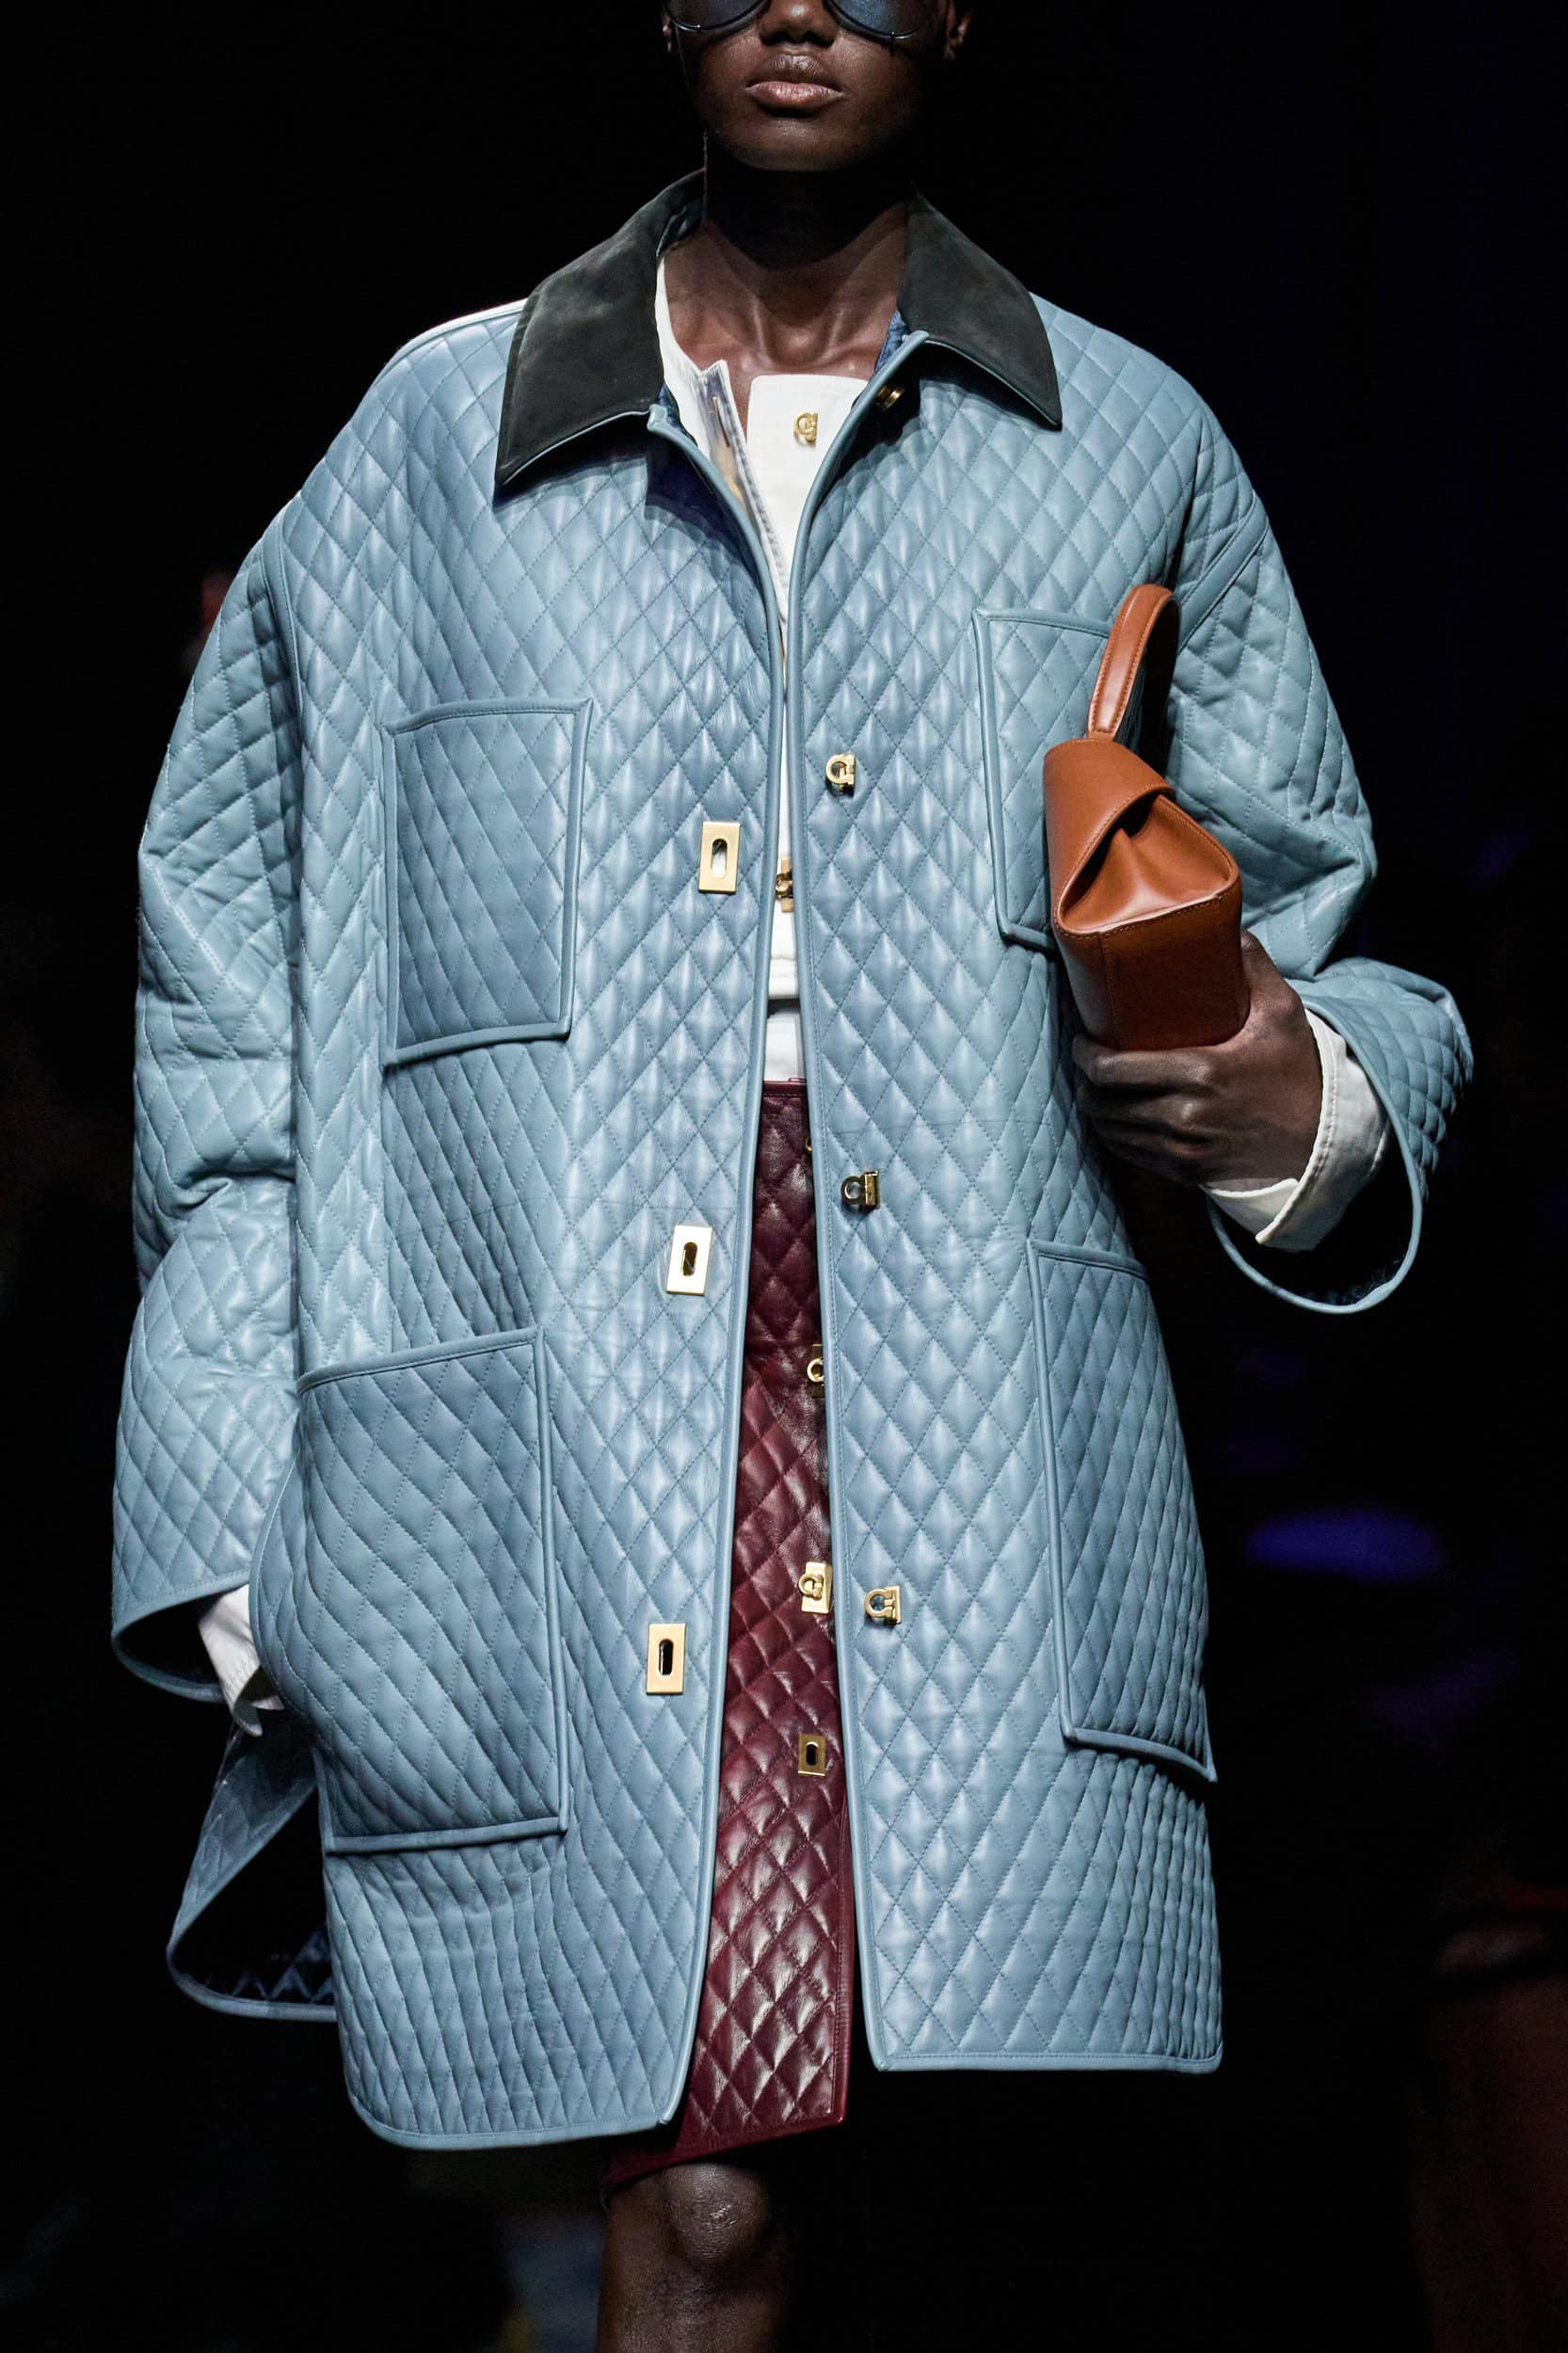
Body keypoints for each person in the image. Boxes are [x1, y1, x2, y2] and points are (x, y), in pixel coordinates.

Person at [111, 3, 1470, 2345]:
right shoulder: (432, 431)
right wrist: (233, 1504)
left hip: (963, 1393)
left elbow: (1329, 935)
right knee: (705, 2183)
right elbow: (234, 974)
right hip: (553, 1386)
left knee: (963, 2195)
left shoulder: (1124, 436)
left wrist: (1297, 1099)